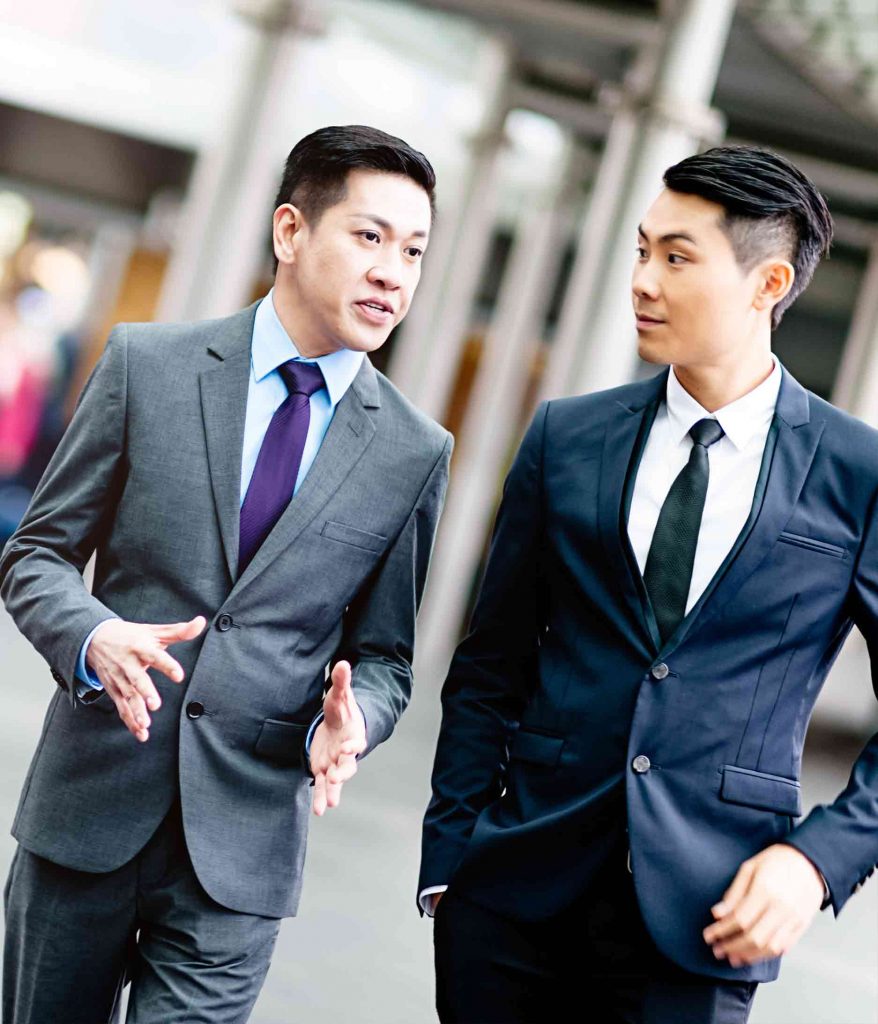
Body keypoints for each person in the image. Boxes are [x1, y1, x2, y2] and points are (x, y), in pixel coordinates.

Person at [0, 124, 452, 1024]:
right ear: (290, 232)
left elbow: (390, 655)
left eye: (412, 250)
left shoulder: (413, 450)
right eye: (369, 237)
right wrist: (92, 635)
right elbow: (37, 552)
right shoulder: (147, 367)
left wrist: (356, 717)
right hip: (88, 809)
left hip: (241, 851)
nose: (393, 273)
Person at [420, 145, 878, 1024]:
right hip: (511, 906)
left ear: (767, 282)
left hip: (706, 922)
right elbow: (489, 668)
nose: (643, 280)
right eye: (640, 250)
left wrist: (815, 861)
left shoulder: (857, 472)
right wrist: (451, 863)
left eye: (677, 257)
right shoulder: (567, 436)